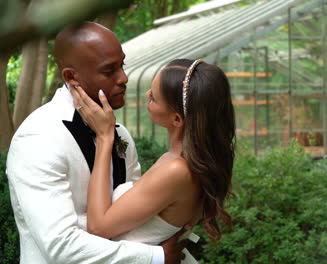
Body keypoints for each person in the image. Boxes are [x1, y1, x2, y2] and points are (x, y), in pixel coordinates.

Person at [6, 22, 185, 264]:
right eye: (109, 71)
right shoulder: (38, 138)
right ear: (71, 77)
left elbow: (132, 220)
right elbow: (60, 246)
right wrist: (156, 257)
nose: (124, 78)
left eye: (122, 65)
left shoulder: (120, 135)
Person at [70, 59, 236, 263]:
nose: (147, 94)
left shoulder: (177, 170)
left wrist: (105, 137)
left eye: (154, 98)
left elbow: (98, 228)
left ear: (176, 119)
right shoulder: (189, 162)